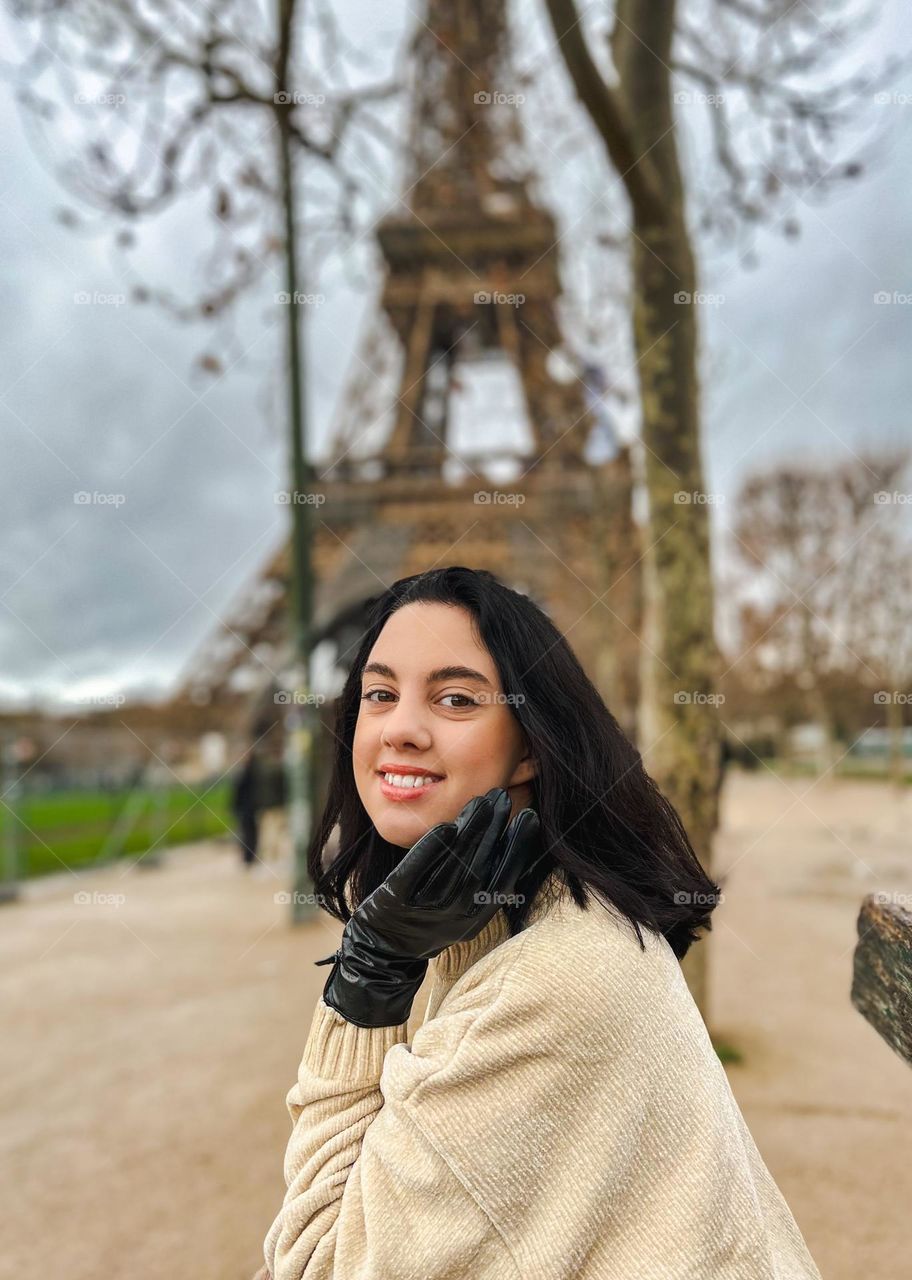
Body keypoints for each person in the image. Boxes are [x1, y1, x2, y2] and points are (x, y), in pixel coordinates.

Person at [255, 566, 823, 1280]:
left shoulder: (553, 984)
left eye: (455, 698)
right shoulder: (507, 914)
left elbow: (316, 1264)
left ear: (530, 743)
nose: (400, 727)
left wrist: (365, 981)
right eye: (379, 693)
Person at [230, 746, 260, 869]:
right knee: (247, 833)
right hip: (246, 808)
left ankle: (249, 857)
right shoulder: (249, 771)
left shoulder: (249, 772)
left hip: (248, 808)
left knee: (249, 833)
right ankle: (248, 857)